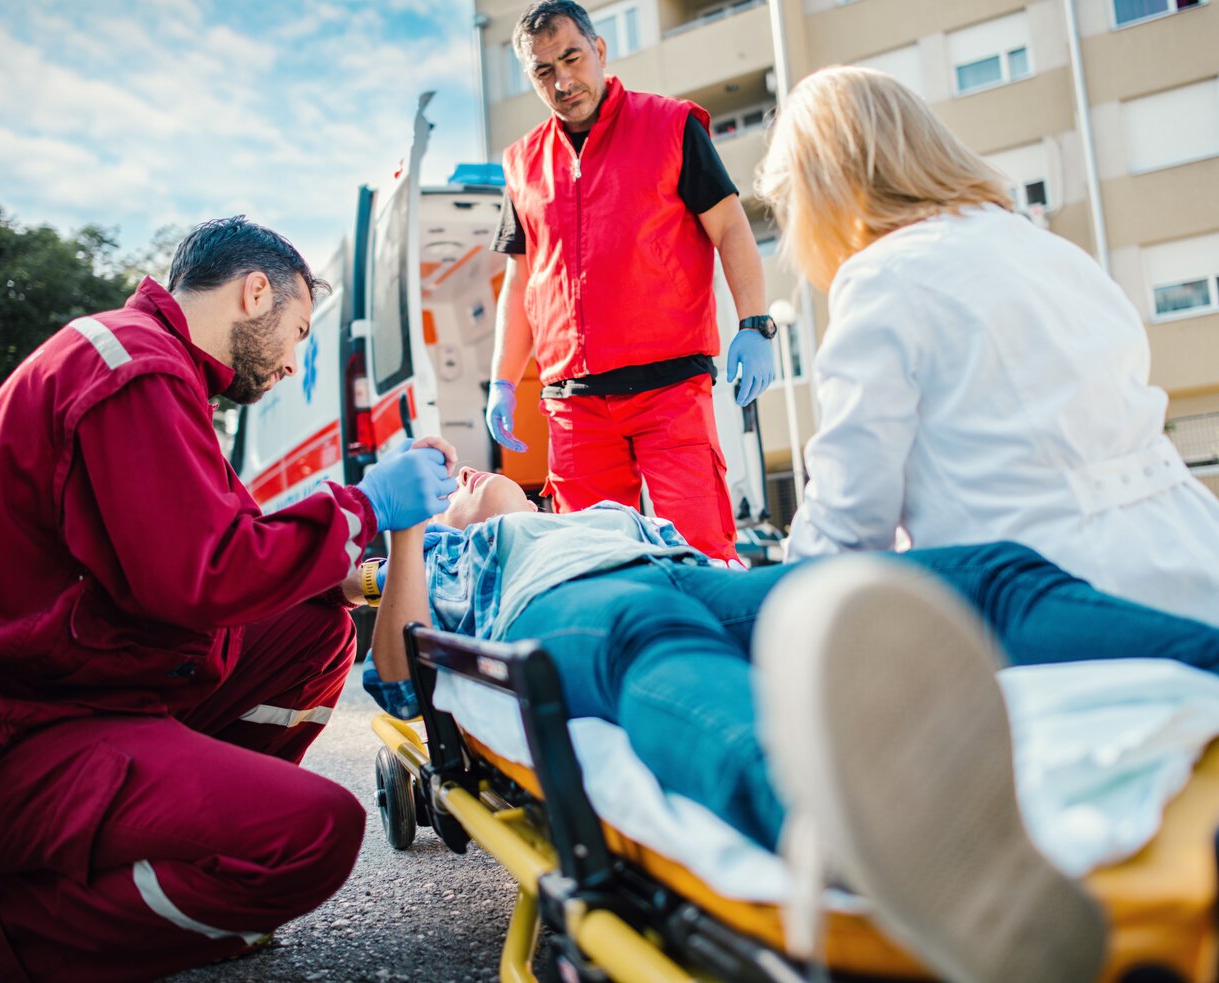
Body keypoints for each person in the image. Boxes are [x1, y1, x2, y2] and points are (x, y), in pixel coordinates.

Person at [360, 470, 1219, 980]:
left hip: (683, 570)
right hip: (561, 604)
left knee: (989, 574)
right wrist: (407, 531)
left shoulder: (602, 512)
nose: (463, 475)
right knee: (657, 645)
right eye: (453, 486)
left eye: (471, 469)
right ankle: (860, 832)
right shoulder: (445, 554)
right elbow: (400, 682)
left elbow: (713, 563)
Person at [0, 217, 459, 983]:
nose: (294, 362)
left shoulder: (151, 369)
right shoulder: (132, 368)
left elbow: (222, 547)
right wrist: (365, 505)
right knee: (317, 834)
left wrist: (356, 571)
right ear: (255, 292)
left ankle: (192, 845)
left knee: (314, 626)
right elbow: (208, 573)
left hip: (53, 697)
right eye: (299, 332)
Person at [753, 66, 1219, 626]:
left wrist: (778, 619)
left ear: (823, 190)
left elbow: (849, 521)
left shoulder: (885, 277)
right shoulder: (1048, 250)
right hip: (1192, 555)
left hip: (1057, 599)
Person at [484, 0, 777, 564]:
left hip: (669, 389)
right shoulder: (521, 164)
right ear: (530, 77)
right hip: (574, 404)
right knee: (594, 565)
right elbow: (520, 281)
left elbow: (731, 227)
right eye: (544, 70)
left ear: (599, 49)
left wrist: (756, 323)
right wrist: (502, 380)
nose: (562, 81)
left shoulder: (671, 125)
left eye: (572, 58)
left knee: (703, 553)